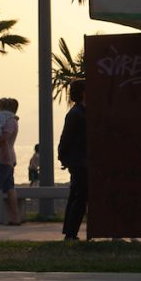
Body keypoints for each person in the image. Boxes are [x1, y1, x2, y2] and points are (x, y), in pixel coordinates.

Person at [60, 80, 88, 240]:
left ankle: (69, 231)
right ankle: (71, 233)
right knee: (80, 196)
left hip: (79, 160)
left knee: (76, 196)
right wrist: (63, 156)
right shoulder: (76, 113)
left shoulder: (80, 112)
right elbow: (66, 137)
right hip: (79, 161)